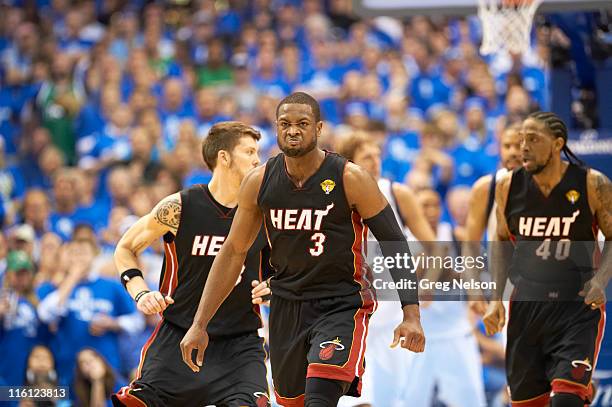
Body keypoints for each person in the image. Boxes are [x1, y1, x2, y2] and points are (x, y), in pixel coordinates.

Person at [181, 92, 425, 407]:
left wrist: (412, 314)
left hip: (341, 305)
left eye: (302, 123)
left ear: (318, 128)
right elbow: (232, 252)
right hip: (286, 307)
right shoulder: (260, 181)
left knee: (319, 397)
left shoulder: (351, 178)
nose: (293, 130)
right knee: (292, 402)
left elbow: (396, 244)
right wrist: (200, 325)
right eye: (285, 124)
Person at [112, 121, 271, 407]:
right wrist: (141, 292)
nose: (257, 160)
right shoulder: (179, 207)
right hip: (179, 334)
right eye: (249, 152)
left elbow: (289, 266)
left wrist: (275, 285)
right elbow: (125, 248)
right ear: (224, 157)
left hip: (240, 344)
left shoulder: (265, 211)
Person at [483, 112, 611, 407]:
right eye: (521, 140)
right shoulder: (507, 186)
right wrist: (494, 299)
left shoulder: (592, 183)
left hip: (576, 308)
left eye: (533, 139)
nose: (523, 147)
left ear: (557, 144)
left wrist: (600, 280)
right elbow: (501, 240)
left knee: (567, 400)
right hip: (527, 306)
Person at [336, 131, 436, 407]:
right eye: (368, 157)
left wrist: (425, 283)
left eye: (378, 155)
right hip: (354, 313)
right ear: (351, 163)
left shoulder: (397, 193)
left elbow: (435, 246)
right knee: (355, 399)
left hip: (394, 314)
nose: (376, 161)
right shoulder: (338, 197)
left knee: (397, 399)